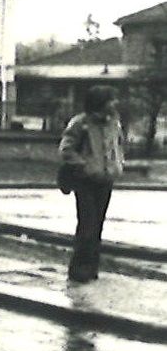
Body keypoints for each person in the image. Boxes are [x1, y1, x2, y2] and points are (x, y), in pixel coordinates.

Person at [58, 85, 125, 283]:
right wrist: (84, 165)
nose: (115, 104)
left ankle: (91, 268)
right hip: (85, 181)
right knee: (87, 225)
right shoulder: (81, 124)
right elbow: (66, 149)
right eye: (111, 100)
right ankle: (79, 270)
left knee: (97, 227)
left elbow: (118, 145)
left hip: (105, 179)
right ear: (100, 102)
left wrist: (118, 164)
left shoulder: (113, 123)